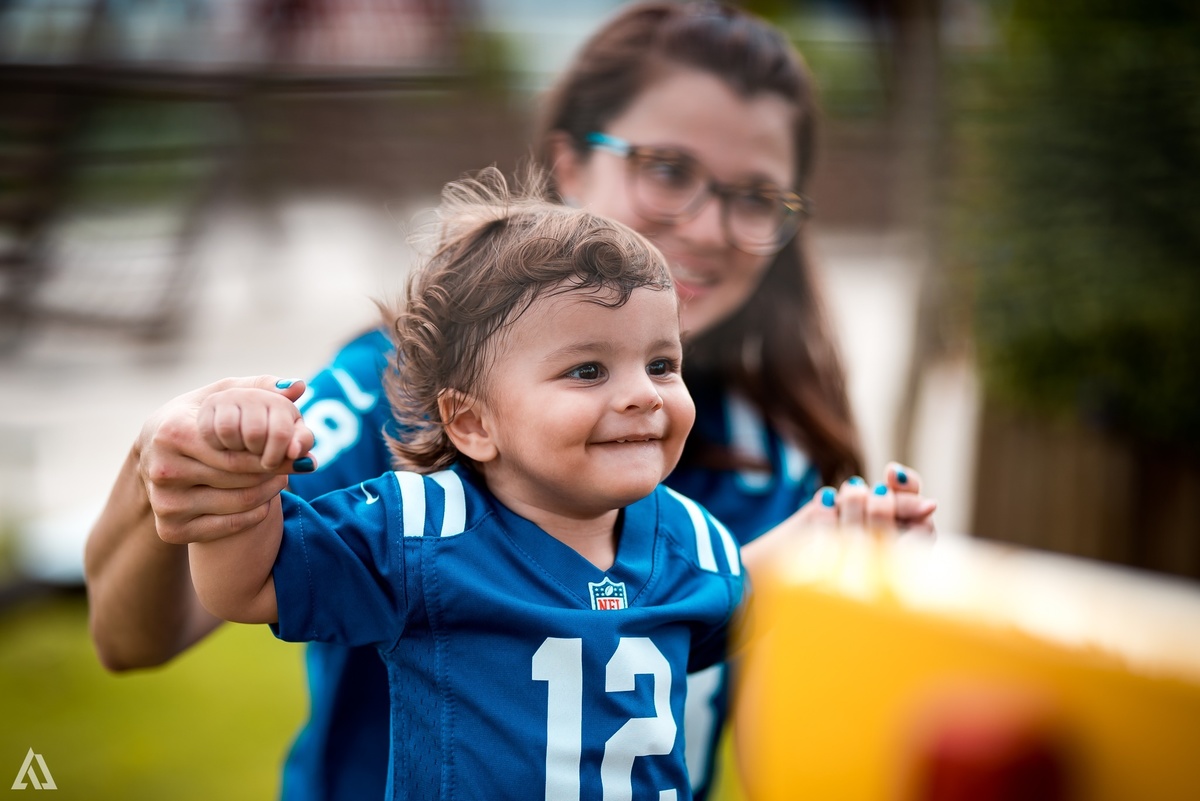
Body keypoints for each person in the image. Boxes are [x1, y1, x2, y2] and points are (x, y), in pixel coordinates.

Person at [83, 3, 937, 799]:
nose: (710, 227)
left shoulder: (768, 459)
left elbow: (785, 745)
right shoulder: (400, 387)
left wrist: (860, 592)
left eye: (753, 196)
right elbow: (143, 631)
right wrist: (183, 459)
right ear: (568, 162)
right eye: (669, 169)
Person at [181, 169, 748, 800]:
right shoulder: (419, 532)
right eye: (588, 370)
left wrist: (840, 540)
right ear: (473, 422)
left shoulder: (697, 542)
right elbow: (244, 587)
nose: (644, 394)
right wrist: (239, 479)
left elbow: (757, 621)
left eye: (661, 364)